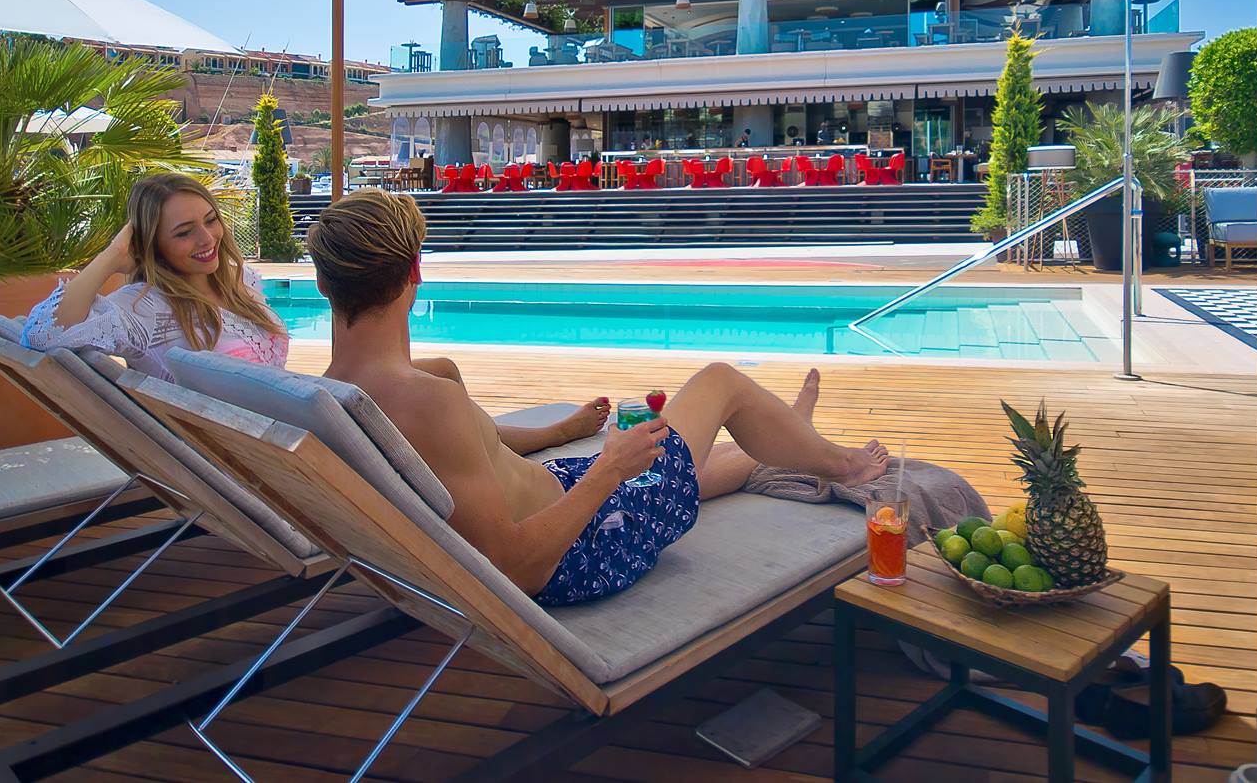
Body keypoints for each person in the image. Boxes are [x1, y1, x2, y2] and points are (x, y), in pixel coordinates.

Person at [309, 190, 889, 607]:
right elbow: (514, 569)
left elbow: (474, 447)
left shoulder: (329, 398)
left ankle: (785, 442)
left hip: (563, 491)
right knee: (719, 382)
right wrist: (609, 468)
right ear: (417, 271)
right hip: (581, 546)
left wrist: (563, 435)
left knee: (692, 466)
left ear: (322, 283)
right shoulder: (425, 402)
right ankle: (843, 464)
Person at [16, 172, 291, 381]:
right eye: (184, 232)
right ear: (152, 243)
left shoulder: (241, 280)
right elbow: (42, 336)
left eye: (210, 220)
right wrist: (112, 255)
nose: (207, 239)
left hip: (277, 438)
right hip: (221, 451)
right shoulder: (146, 309)